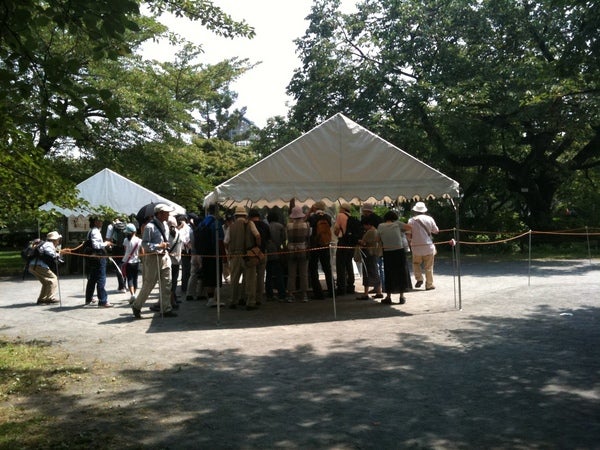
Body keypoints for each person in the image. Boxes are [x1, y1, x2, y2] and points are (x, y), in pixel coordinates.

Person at [131, 203, 177, 318]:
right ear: (160, 213)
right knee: (149, 284)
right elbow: (144, 244)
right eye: (166, 213)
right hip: (153, 257)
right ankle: (137, 305)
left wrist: (165, 246)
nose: (168, 215)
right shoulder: (149, 227)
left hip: (165, 256)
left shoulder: (165, 225)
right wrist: (158, 246)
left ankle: (166, 309)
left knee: (167, 283)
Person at [224, 205, 261, 310]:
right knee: (250, 279)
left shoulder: (231, 227)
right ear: (245, 215)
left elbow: (226, 242)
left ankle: (233, 301)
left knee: (234, 279)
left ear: (235, 216)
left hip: (235, 255)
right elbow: (257, 236)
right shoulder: (250, 223)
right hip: (248, 255)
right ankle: (250, 302)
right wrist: (257, 247)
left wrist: (230, 252)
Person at [377, 210, 411, 305]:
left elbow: (377, 239)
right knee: (401, 273)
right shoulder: (397, 224)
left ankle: (388, 297)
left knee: (389, 273)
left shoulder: (380, 226)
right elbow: (410, 227)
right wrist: (401, 231)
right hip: (399, 251)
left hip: (388, 252)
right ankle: (401, 296)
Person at [407, 201, 439, 290]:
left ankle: (419, 278)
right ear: (424, 210)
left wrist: (410, 242)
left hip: (416, 246)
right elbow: (436, 231)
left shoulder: (411, 220)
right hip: (428, 246)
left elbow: (408, 235)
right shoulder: (430, 219)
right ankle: (429, 284)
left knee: (416, 263)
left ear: (415, 211)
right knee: (429, 267)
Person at [197, 204, 224, 307]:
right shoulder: (216, 223)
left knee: (208, 277)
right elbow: (220, 240)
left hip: (204, 254)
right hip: (214, 253)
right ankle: (214, 300)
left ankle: (210, 298)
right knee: (216, 277)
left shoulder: (203, 222)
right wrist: (223, 255)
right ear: (216, 211)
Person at [307, 201, 334, 299]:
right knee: (327, 268)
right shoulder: (328, 217)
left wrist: (310, 212)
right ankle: (332, 291)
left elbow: (306, 224)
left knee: (313, 269)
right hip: (325, 244)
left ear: (315, 208)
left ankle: (318, 293)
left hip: (315, 245)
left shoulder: (312, 217)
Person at [84, 216, 114, 307]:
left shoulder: (91, 231)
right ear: (96, 222)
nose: (102, 222)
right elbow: (96, 245)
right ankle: (102, 300)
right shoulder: (95, 231)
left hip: (93, 258)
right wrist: (106, 243)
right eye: (100, 221)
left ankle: (89, 298)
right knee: (101, 278)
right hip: (98, 257)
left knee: (92, 278)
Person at [28, 231, 63, 305]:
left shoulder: (44, 244)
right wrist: (59, 254)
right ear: (54, 240)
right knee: (53, 279)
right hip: (39, 266)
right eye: (58, 240)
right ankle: (50, 298)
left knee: (46, 282)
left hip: (32, 265)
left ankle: (42, 299)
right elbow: (51, 254)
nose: (58, 242)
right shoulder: (49, 244)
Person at [333, 202, 359, 295]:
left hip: (343, 242)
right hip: (351, 243)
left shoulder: (340, 215)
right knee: (349, 264)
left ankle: (341, 287)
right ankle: (351, 286)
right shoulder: (351, 217)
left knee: (340, 265)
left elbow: (336, 229)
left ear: (342, 209)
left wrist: (336, 234)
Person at [286, 205, 310, 302]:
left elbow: (287, 238)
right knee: (303, 274)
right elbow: (308, 238)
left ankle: (291, 294)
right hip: (303, 250)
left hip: (291, 251)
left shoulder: (288, 225)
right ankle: (304, 295)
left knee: (291, 274)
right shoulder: (306, 225)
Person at [356, 215, 383, 300]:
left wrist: (358, 241)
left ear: (367, 224)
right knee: (375, 272)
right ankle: (379, 292)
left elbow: (363, 242)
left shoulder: (369, 232)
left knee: (367, 273)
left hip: (368, 254)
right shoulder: (376, 231)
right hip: (374, 253)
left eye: (364, 225)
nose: (364, 227)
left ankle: (365, 293)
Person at [265, 210, 287, 302]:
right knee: (279, 274)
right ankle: (282, 294)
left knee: (268, 275)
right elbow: (284, 240)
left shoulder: (266, 226)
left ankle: (269, 294)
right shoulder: (280, 226)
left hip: (268, 253)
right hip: (277, 253)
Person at [362, 203, 384, 290]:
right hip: (379, 246)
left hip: (372, 249)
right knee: (379, 268)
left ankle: (377, 287)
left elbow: (364, 241)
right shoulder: (379, 218)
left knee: (374, 268)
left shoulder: (369, 222)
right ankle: (380, 287)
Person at [121, 223, 142, 304]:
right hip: (136, 261)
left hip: (127, 262)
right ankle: (134, 295)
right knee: (135, 278)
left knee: (129, 279)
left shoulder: (125, 240)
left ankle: (132, 294)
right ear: (134, 232)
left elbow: (125, 251)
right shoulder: (139, 240)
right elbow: (142, 252)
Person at [106, 217, 127, 292]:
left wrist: (110, 245)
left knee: (118, 266)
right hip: (124, 247)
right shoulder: (125, 224)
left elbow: (108, 238)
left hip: (116, 247)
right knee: (123, 265)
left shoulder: (111, 226)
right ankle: (124, 285)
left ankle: (121, 287)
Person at [167, 215, 183, 309]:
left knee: (168, 282)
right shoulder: (179, 233)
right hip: (177, 260)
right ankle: (173, 299)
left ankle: (172, 300)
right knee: (174, 281)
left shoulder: (166, 234)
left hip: (168, 261)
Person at [177, 214, 193, 296]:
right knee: (186, 269)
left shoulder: (188, 228)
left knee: (186, 269)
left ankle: (186, 286)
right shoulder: (180, 229)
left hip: (187, 250)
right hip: (183, 250)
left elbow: (187, 239)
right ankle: (185, 286)